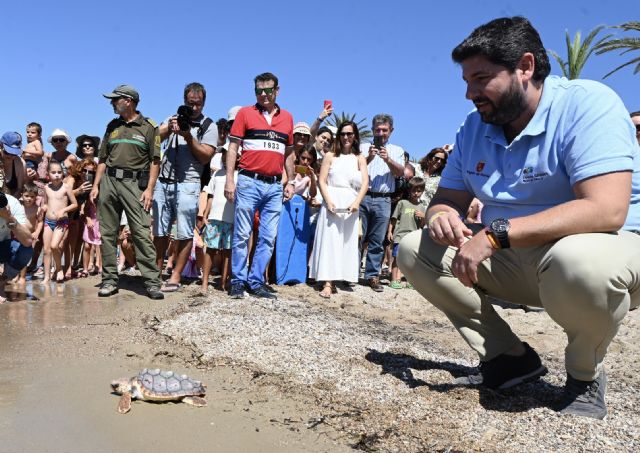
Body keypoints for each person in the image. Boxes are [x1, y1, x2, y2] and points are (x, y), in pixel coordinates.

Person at [397, 16, 640, 420]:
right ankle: (508, 359)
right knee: (413, 249)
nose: (469, 93)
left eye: (481, 78)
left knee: (578, 260)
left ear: (525, 67)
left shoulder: (587, 104)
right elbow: (448, 198)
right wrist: (441, 216)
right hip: (518, 260)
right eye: (466, 81)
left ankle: (584, 375)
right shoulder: (475, 127)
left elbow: (607, 209)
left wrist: (493, 236)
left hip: (605, 254)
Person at [224, 72, 295, 300]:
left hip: (274, 186)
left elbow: (289, 153)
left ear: (277, 90)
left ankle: (256, 281)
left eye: (268, 90)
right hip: (248, 181)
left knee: (267, 236)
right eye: (259, 90)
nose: (263, 95)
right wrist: (229, 180)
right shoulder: (245, 114)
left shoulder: (288, 118)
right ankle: (237, 280)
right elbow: (233, 148)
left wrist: (291, 181)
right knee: (243, 234)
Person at [90, 84, 164, 299]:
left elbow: (155, 161)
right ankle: (109, 280)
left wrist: (150, 189)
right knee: (108, 234)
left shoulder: (149, 127)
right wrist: (96, 185)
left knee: (140, 233)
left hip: (135, 185)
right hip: (109, 182)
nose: (112, 103)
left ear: (128, 101)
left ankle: (151, 282)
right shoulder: (112, 125)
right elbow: (102, 159)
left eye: (116, 99)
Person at [153, 82, 217, 293]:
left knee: (184, 232)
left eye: (198, 104)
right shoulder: (172, 119)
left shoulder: (209, 125)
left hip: (189, 182)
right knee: (160, 231)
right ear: (184, 102)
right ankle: (155, 272)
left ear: (204, 103)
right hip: (164, 180)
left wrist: (189, 137)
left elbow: (206, 156)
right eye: (191, 104)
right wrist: (167, 128)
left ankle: (176, 274)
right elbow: (152, 141)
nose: (194, 108)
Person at [309, 121, 368, 298]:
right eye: (343, 134)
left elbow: (365, 183)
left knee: (346, 241)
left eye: (349, 134)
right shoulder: (330, 156)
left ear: (355, 136)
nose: (346, 137)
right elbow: (322, 180)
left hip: (351, 204)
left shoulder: (360, 158)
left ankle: (342, 276)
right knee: (330, 240)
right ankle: (327, 282)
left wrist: (357, 202)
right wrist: (328, 201)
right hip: (332, 201)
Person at [359, 114, 405, 292]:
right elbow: (354, 168)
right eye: (377, 130)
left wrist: (387, 159)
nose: (381, 133)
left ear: (391, 131)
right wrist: (369, 158)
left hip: (383, 198)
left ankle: (372, 275)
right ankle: (351, 274)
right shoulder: (363, 147)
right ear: (372, 130)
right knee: (358, 237)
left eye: (384, 130)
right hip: (363, 195)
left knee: (377, 240)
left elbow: (400, 172)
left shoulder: (397, 150)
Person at [201, 148, 236, 292]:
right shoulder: (217, 173)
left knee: (228, 251)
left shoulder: (239, 175)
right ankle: (204, 282)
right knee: (210, 249)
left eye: (227, 154)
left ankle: (223, 282)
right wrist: (205, 214)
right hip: (214, 217)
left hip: (230, 218)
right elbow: (211, 195)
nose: (224, 157)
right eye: (223, 154)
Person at [42, 160, 78, 283]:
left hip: (61, 222)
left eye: (59, 172)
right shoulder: (46, 187)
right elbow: (46, 203)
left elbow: (75, 204)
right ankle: (46, 277)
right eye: (53, 172)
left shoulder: (66, 187)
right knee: (46, 250)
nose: (57, 175)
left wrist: (64, 210)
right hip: (48, 221)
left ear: (62, 173)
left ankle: (58, 269)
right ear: (48, 174)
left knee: (54, 246)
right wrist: (44, 207)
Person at [387, 177, 425, 289]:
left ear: (422, 192)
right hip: (400, 236)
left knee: (412, 260)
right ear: (409, 190)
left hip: (414, 238)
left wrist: (423, 217)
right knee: (397, 258)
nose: (416, 193)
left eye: (419, 191)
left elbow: (422, 226)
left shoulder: (422, 207)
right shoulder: (402, 203)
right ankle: (394, 280)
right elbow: (393, 219)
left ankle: (410, 281)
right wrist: (390, 231)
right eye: (414, 190)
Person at [0, 186, 34, 302]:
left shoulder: (11, 203)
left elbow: (28, 241)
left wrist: (9, 217)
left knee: (26, 251)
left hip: (4, 245)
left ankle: (1, 282)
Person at [13, 182, 42, 285]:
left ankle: (23, 277)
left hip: (29, 236)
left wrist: (37, 232)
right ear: (22, 195)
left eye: (32, 197)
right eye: (26, 196)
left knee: (24, 256)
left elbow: (40, 222)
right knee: (15, 255)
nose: (29, 199)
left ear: (36, 197)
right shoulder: (18, 206)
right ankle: (16, 275)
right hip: (17, 234)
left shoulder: (37, 209)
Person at [0, 132, 27, 198]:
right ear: (1, 146)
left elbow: (19, 189)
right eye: (7, 152)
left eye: (14, 153)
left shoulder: (21, 163)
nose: (11, 156)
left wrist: (9, 203)